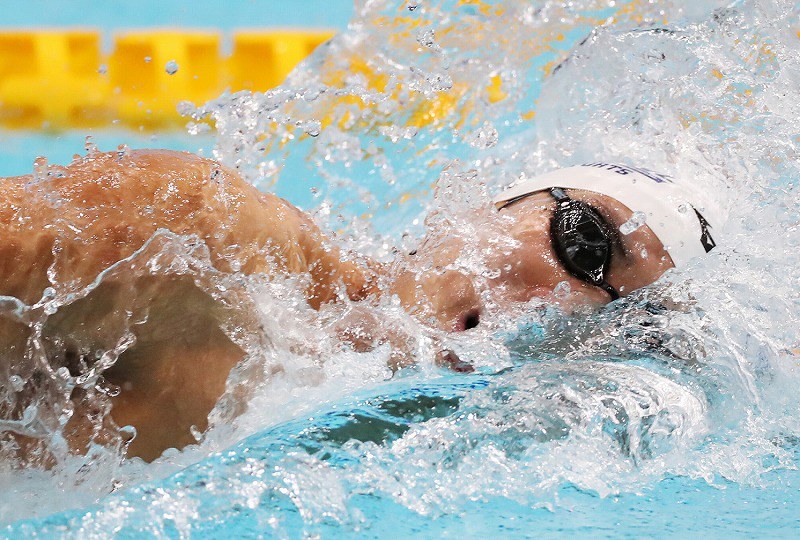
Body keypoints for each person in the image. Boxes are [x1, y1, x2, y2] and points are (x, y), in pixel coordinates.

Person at [0, 150, 720, 462]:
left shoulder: (392, 444)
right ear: (496, 202)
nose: (561, 305)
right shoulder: (207, 243)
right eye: (584, 242)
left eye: (619, 321)